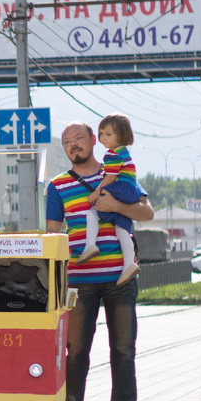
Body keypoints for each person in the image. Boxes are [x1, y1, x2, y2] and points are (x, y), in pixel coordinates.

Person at [46, 121, 155, 401]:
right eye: (67, 141)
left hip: (120, 277)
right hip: (78, 280)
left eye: (79, 138)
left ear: (94, 140)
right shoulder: (57, 186)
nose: (73, 145)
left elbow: (146, 213)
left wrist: (115, 205)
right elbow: (53, 234)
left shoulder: (119, 172)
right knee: (75, 349)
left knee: (123, 346)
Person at [78, 113, 142, 286]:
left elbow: (110, 178)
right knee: (122, 230)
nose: (103, 138)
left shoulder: (112, 155)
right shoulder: (124, 153)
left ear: (121, 135)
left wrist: (97, 193)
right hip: (129, 191)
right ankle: (129, 264)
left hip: (119, 189)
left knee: (92, 214)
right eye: (101, 134)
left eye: (108, 134)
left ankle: (90, 245)